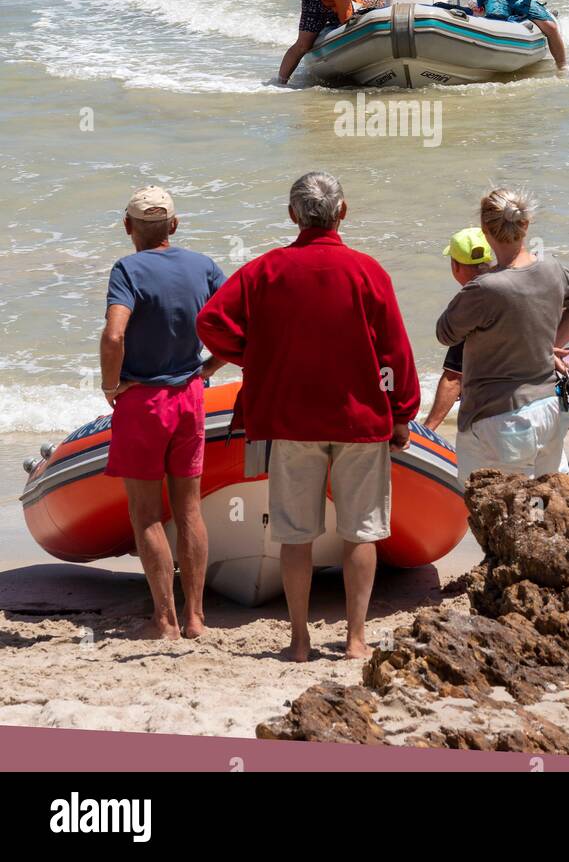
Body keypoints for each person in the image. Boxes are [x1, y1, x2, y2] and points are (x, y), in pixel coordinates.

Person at [196, 171, 420, 662]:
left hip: (291, 422)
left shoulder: (265, 270)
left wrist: (252, 355)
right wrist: (403, 411)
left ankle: (299, 641)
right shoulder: (367, 271)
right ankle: (356, 639)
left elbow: (209, 321)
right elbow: (395, 350)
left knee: (295, 535)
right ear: (343, 212)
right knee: (361, 532)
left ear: (293, 214)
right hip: (360, 422)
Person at [101, 187, 227, 640]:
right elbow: (240, 327)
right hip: (191, 397)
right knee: (190, 510)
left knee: (146, 514)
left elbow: (114, 336)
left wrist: (111, 386)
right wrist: (208, 367)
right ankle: (195, 617)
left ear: (128, 227)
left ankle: (165, 620)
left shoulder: (127, 269)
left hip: (143, 403)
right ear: (174, 225)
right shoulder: (204, 266)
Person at [435, 187, 569, 489]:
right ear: (526, 224)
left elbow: (445, 332)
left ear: (485, 230)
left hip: (502, 419)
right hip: (551, 410)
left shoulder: (483, 288)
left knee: (498, 513)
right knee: (546, 506)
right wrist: (548, 344)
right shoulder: (552, 268)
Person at [424, 228, 493, 432]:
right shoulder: (513, 286)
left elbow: (454, 378)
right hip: (539, 404)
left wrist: (428, 429)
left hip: (494, 417)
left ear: (455, 265)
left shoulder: (471, 305)